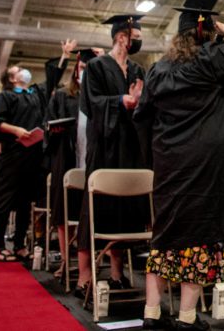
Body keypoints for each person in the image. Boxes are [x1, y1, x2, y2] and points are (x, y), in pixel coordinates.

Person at [136, 0, 224, 331]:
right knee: (196, 239)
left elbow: (142, 116)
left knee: (164, 237)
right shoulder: (211, 60)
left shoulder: (157, 70)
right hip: (206, 166)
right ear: (204, 31)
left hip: (168, 165)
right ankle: (185, 317)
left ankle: (152, 314)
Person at [76, 17, 147, 299]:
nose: (138, 40)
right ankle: (85, 276)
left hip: (129, 147)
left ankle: (117, 272)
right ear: (121, 37)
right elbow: (91, 103)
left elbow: (144, 108)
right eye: (136, 35)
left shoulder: (138, 69)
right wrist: (120, 101)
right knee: (95, 207)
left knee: (123, 209)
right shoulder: (96, 67)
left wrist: (140, 100)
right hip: (104, 146)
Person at [0, 60, 51, 261]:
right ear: (12, 78)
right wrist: (17, 131)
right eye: (19, 70)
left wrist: (64, 57)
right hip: (13, 154)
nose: (24, 71)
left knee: (25, 202)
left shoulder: (34, 95)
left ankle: (20, 245)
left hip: (33, 155)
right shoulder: (6, 96)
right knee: (5, 200)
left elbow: (52, 80)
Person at [48, 47, 97, 276]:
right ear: (76, 69)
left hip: (93, 161)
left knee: (91, 213)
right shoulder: (63, 95)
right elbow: (47, 124)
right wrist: (56, 129)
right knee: (64, 212)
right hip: (67, 158)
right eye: (83, 67)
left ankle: (90, 262)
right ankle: (67, 261)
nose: (86, 71)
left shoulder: (98, 97)